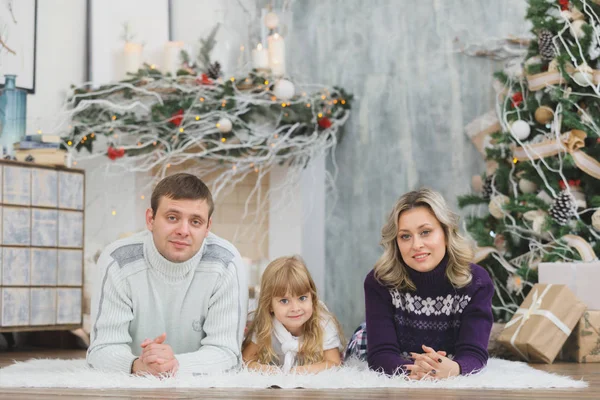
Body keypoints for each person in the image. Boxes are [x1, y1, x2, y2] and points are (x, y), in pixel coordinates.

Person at [87, 173, 248, 376]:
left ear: (208, 227)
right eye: (172, 218)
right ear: (150, 219)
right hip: (133, 385)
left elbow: (228, 355)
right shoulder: (117, 261)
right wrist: (137, 365)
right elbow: (101, 351)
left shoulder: (226, 263)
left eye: (196, 222)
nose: (183, 230)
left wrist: (174, 366)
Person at [347, 188, 493, 379]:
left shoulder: (477, 282)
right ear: (396, 241)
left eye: (425, 232)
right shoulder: (379, 281)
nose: (416, 245)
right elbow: (381, 355)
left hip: (443, 364)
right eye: (405, 236)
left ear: (446, 233)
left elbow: (473, 352)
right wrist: (416, 370)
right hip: (374, 347)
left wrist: (454, 368)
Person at [242, 256, 345, 374]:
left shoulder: (322, 322)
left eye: (302, 298)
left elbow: (334, 363)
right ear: (269, 305)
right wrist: (269, 371)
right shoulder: (266, 324)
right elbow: (246, 360)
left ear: (312, 297)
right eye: (284, 301)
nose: (295, 308)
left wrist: (304, 370)